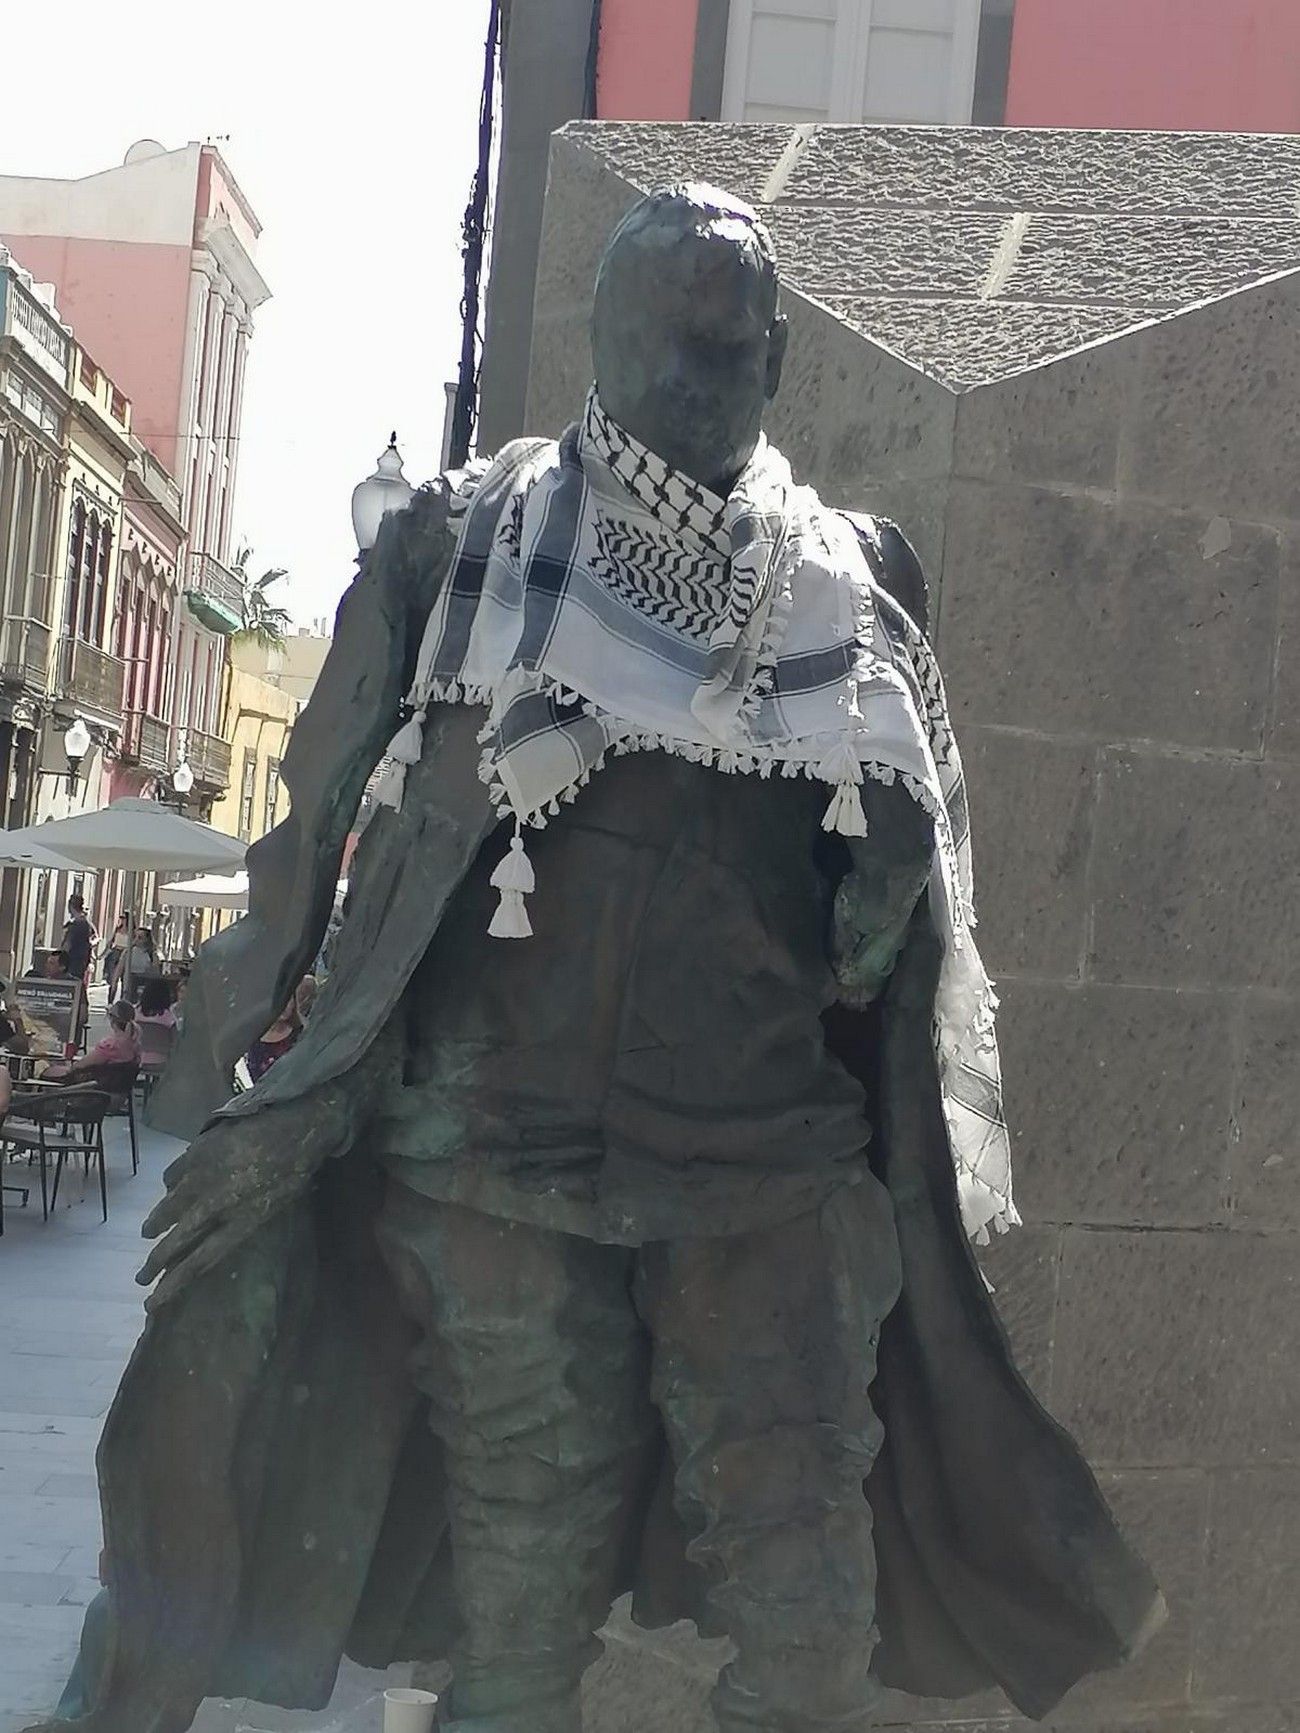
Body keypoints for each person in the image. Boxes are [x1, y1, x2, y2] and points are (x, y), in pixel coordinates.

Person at [47, 187, 1161, 1733]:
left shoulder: (851, 587)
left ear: (776, 357)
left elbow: (868, 951)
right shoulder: (466, 544)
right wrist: (265, 1072)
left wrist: (891, 883)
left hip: (766, 1173)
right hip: (491, 1169)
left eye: (732, 339)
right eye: (672, 331)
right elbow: (309, 826)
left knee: (808, 1633)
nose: (703, 366)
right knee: (521, 1627)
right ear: (605, 336)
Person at [44, 1000, 139, 1080]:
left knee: (46, 1072)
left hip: (89, 1089)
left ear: (112, 1019)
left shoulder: (110, 1046)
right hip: (114, 1088)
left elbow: (83, 1064)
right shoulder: (134, 1044)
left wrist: (70, 1067)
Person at [243, 997, 300, 1085]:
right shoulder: (256, 1053)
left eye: (287, 997)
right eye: (278, 999)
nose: (284, 1005)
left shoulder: (305, 1026)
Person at [62, 894, 95, 986]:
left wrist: (60, 957)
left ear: (71, 906)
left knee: (70, 985)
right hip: (82, 961)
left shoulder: (76, 924)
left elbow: (68, 944)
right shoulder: (86, 923)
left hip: (72, 961)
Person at [102, 914, 129, 987]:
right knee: (110, 962)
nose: (122, 920)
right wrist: (103, 953)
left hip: (125, 951)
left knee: (124, 973)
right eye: (121, 918)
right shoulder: (117, 929)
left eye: (124, 918)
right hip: (116, 950)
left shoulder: (131, 931)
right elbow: (111, 942)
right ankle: (110, 980)